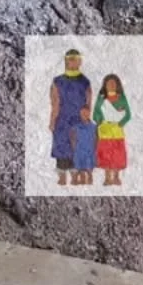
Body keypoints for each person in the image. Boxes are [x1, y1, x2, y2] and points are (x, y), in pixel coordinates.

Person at [49, 47, 91, 187]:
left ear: (79, 62)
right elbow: (55, 102)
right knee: (62, 147)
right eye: (69, 60)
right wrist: (53, 120)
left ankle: (75, 175)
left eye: (74, 60)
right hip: (62, 119)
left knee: (75, 147)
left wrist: (86, 120)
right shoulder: (58, 81)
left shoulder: (85, 82)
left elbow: (88, 103)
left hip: (77, 120)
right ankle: (62, 176)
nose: (71, 63)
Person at [94, 73, 131, 187]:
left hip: (117, 131)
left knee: (117, 154)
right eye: (108, 84)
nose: (111, 86)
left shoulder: (122, 99)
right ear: (104, 85)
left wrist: (121, 123)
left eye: (113, 84)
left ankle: (116, 176)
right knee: (106, 154)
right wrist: (100, 123)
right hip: (105, 131)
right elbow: (96, 112)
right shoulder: (101, 99)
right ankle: (107, 177)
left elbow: (128, 114)